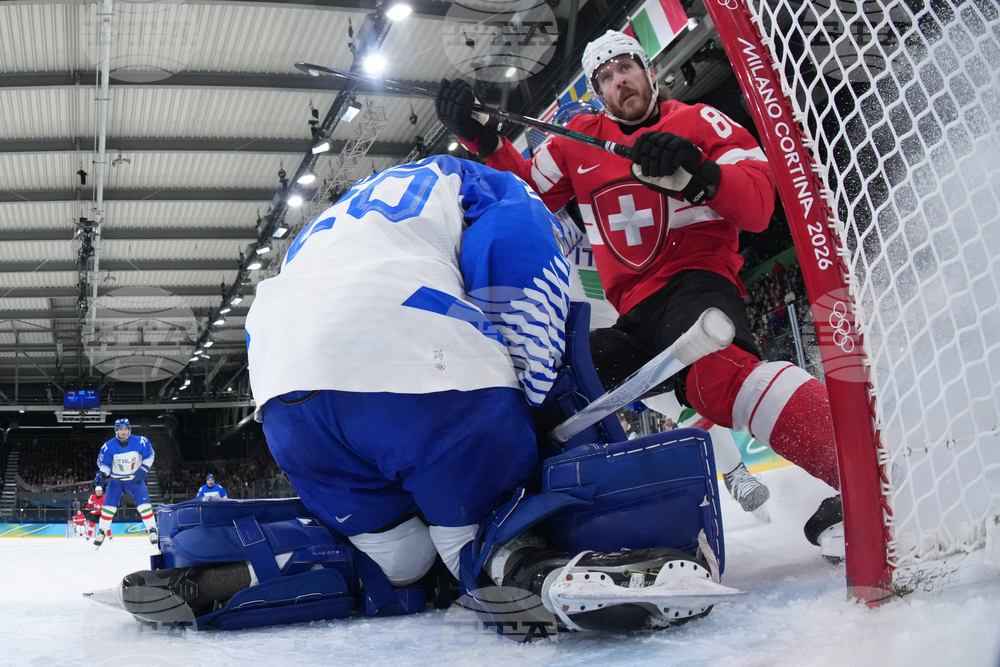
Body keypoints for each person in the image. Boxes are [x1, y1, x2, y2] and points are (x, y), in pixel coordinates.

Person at [436, 31, 844, 559]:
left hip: (697, 281)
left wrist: (702, 174)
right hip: (635, 317)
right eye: (605, 77)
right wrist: (484, 141)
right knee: (553, 396)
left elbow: (760, 205)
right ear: (597, 91)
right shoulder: (574, 141)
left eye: (626, 67)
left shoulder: (699, 121)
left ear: (651, 73)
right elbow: (524, 200)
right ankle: (523, 537)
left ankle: (864, 471)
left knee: (715, 375)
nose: (618, 81)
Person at [92, 418, 158, 548]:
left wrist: (144, 469)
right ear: (116, 430)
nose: (123, 432)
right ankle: (102, 532)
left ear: (129, 429)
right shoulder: (108, 446)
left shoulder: (140, 441)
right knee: (108, 508)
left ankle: (152, 530)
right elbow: (103, 463)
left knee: (144, 506)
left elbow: (150, 455)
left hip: (135, 479)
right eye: (120, 429)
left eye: (126, 428)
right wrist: (102, 473)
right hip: (116, 480)